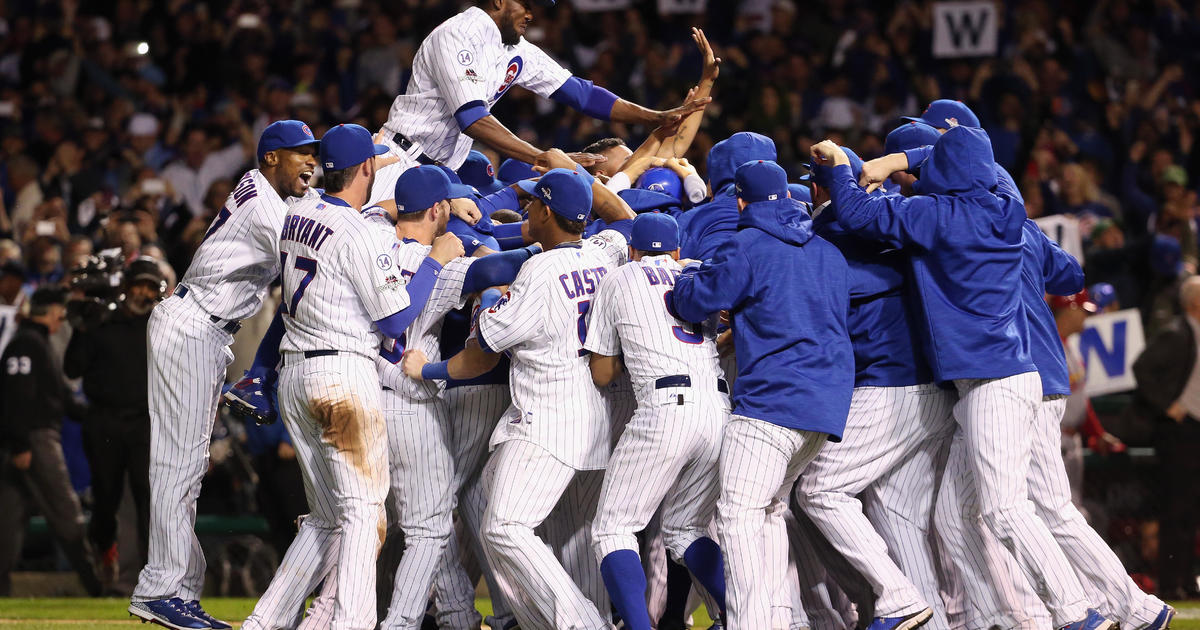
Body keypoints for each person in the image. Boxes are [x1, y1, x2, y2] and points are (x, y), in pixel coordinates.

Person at [816, 129, 1113, 630]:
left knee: (1005, 510)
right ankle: (1008, 617)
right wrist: (900, 159)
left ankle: (1076, 612)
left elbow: (860, 214)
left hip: (992, 382)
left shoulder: (940, 216)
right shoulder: (1005, 207)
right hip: (1007, 377)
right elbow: (959, 159)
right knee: (957, 516)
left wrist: (842, 171)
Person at [242, 123, 463, 630]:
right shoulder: (363, 234)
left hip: (295, 373)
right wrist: (435, 260)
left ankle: (264, 622)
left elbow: (348, 210)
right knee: (365, 514)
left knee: (325, 518)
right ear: (367, 167)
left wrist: (377, 198)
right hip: (342, 374)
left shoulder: (299, 211)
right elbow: (393, 322)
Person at [405, 162, 637, 629]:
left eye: (534, 201)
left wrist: (427, 367)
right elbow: (625, 221)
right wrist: (579, 177)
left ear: (548, 212)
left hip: (550, 418)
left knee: (504, 526)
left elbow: (483, 351)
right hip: (600, 419)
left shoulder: (539, 271)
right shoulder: (605, 254)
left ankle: (582, 624)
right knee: (573, 541)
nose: (527, 205)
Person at [129, 120, 319, 630]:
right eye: (299, 153)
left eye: (314, 154)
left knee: (185, 465)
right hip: (194, 326)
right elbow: (314, 247)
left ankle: (176, 591)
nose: (310, 162)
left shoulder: (268, 195)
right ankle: (162, 589)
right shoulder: (262, 200)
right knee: (178, 465)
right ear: (271, 158)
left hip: (207, 331)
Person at [670, 160, 854, 629]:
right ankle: (782, 620)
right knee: (771, 510)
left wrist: (685, 280)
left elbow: (693, 301)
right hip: (826, 405)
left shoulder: (748, 244)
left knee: (735, 516)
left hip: (773, 400)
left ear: (739, 201)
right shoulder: (828, 251)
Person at [793, 145, 952, 630]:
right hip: (931, 385)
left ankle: (894, 599)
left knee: (818, 489)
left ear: (822, 187)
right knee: (900, 523)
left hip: (887, 384)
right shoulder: (900, 220)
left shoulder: (831, 230)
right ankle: (922, 616)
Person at [374, 166, 538, 630]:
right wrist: (538, 243)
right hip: (414, 396)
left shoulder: (371, 241)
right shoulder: (443, 259)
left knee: (364, 520)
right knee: (431, 521)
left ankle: (434, 614)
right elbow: (494, 267)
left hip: (366, 388)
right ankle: (435, 617)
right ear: (438, 208)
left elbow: (366, 210)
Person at [366, 0, 709, 214]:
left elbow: (580, 94)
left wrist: (654, 115)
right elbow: (473, 119)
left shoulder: (515, 47)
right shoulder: (456, 34)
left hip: (441, 174)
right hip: (400, 161)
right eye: (526, 4)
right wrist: (541, 157)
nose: (532, 14)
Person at [584, 212, 729, 630]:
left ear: (632, 251)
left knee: (613, 529)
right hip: (718, 409)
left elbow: (602, 373)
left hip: (666, 406)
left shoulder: (620, 278)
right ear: (676, 250)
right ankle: (743, 614)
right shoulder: (694, 272)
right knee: (686, 528)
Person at [62, 258, 164, 593]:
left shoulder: (161, 326)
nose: (144, 292)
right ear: (125, 287)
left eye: (150, 286)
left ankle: (154, 581)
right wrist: (81, 327)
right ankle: (104, 548)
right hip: (103, 421)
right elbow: (73, 369)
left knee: (149, 499)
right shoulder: (101, 320)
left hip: (145, 422)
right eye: (140, 284)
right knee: (106, 500)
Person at [0, 287, 101, 597]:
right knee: (66, 515)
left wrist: (94, 414)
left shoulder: (34, 341)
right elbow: (17, 396)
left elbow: (59, 395)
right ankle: (95, 587)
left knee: (9, 519)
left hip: (25, 440)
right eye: (60, 311)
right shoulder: (27, 343)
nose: (62, 319)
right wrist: (20, 445)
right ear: (50, 311)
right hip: (34, 440)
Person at [1132, 276, 1200, 600]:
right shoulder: (1176, 333)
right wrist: (1167, 405)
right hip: (1179, 430)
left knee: (1193, 511)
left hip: (1196, 428)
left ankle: (1189, 580)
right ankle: (1171, 583)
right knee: (1177, 509)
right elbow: (1141, 367)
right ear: (1193, 303)